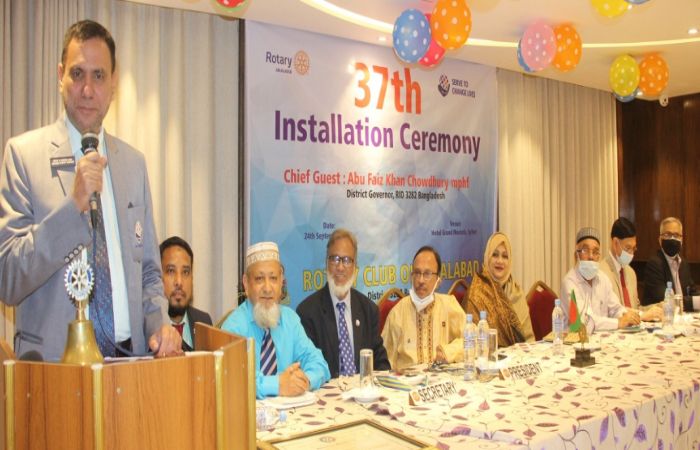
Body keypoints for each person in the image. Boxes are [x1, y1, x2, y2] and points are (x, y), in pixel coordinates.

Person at [0, 20, 180, 361]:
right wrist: (72, 207)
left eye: (98, 76)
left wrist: (158, 323)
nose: (87, 89)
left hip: (130, 364)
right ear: (60, 76)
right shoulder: (23, 156)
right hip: (53, 368)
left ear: (113, 83)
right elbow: (7, 278)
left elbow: (149, 273)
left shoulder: (133, 163)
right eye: (77, 74)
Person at [221, 242, 330, 398]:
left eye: (273, 278)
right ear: (246, 284)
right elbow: (234, 381)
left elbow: (318, 363)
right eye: (259, 279)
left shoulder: (290, 320)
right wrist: (278, 385)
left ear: (281, 282)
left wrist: (304, 381)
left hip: (290, 411)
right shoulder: (233, 328)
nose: (267, 288)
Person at [296, 229, 390, 378]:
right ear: (326, 263)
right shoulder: (307, 312)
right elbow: (307, 368)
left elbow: (381, 363)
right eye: (335, 259)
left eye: (347, 260)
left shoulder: (369, 310)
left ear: (355, 267)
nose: (340, 267)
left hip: (362, 390)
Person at [381, 246, 465, 371]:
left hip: (442, 379)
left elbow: (473, 340)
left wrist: (448, 352)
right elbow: (383, 362)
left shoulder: (449, 306)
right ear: (411, 276)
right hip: (407, 381)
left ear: (438, 280)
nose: (421, 280)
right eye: (417, 273)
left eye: (427, 274)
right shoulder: (398, 313)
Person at [561, 227, 640, 332]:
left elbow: (615, 308)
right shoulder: (569, 283)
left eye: (595, 252)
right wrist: (618, 322)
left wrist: (628, 317)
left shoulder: (602, 279)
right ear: (576, 254)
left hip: (601, 339)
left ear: (599, 256)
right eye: (585, 250)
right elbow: (583, 322)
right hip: (575, 340)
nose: (591, 256)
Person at [465, 232, 532, 346]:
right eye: (495, 255)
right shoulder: (476, 293)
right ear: (487, 257)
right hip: (488, 355)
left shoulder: (516, 292)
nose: (500, 261)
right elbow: (473, 342)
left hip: (521, 354)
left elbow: (529, 338)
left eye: (505, 256)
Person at [599, 218, 662, 321]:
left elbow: (636, 309)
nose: (631, 254)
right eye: (628, 248)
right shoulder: (601, 272)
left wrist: (658, 307)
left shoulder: (631, 272)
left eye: (634, 248)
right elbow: (610, 313)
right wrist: (642, 315)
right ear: (615, 243)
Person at [160, 236, 213, 351]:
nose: (179, 282)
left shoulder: (203, 321)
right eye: (171, 271)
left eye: (185, 272)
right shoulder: (147, 328)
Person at [642, 217, 696, 305]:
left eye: (676, 235)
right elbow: (666, 300)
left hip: (682, 313)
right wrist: (694, 302)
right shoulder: (654, 264)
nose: (672, 238)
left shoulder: (684, 263)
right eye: (668, 234)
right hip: (662, 313)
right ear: (660, 240)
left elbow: (692, 291)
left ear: (682, 240)